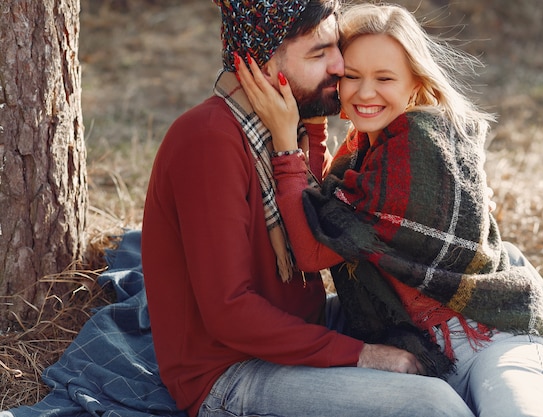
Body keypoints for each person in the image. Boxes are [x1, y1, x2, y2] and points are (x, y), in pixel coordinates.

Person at [235, 3, 543, 416]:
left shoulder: (418, 147)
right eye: (351, 77)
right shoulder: (363, 156)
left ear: (415, 83)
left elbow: (313, 249)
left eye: (385, 78)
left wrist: (285, 144)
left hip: (487, 334)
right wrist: (312, 122)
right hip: (425, 355)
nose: (365, 92)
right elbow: (322, 198)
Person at [141, 1, 476, 417]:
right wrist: (366, 355)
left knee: (455, 326)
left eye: (335, 47)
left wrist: (311, 132)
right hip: (230, 373)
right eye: (318, 54)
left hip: (305, 328)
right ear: (260, 64)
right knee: (433, 405)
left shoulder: (282, 124)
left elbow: (309, 211)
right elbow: (230, 314)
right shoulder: (207, 139)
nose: (339, 65)